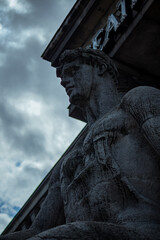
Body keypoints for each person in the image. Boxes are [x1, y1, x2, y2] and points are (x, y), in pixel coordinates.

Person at [1, 48, 160, 239]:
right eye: (62, 79)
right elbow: (38, 228)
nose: (65, 82)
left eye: (73, 71)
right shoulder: (67, 161)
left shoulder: (138, 100)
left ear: (100, 68)